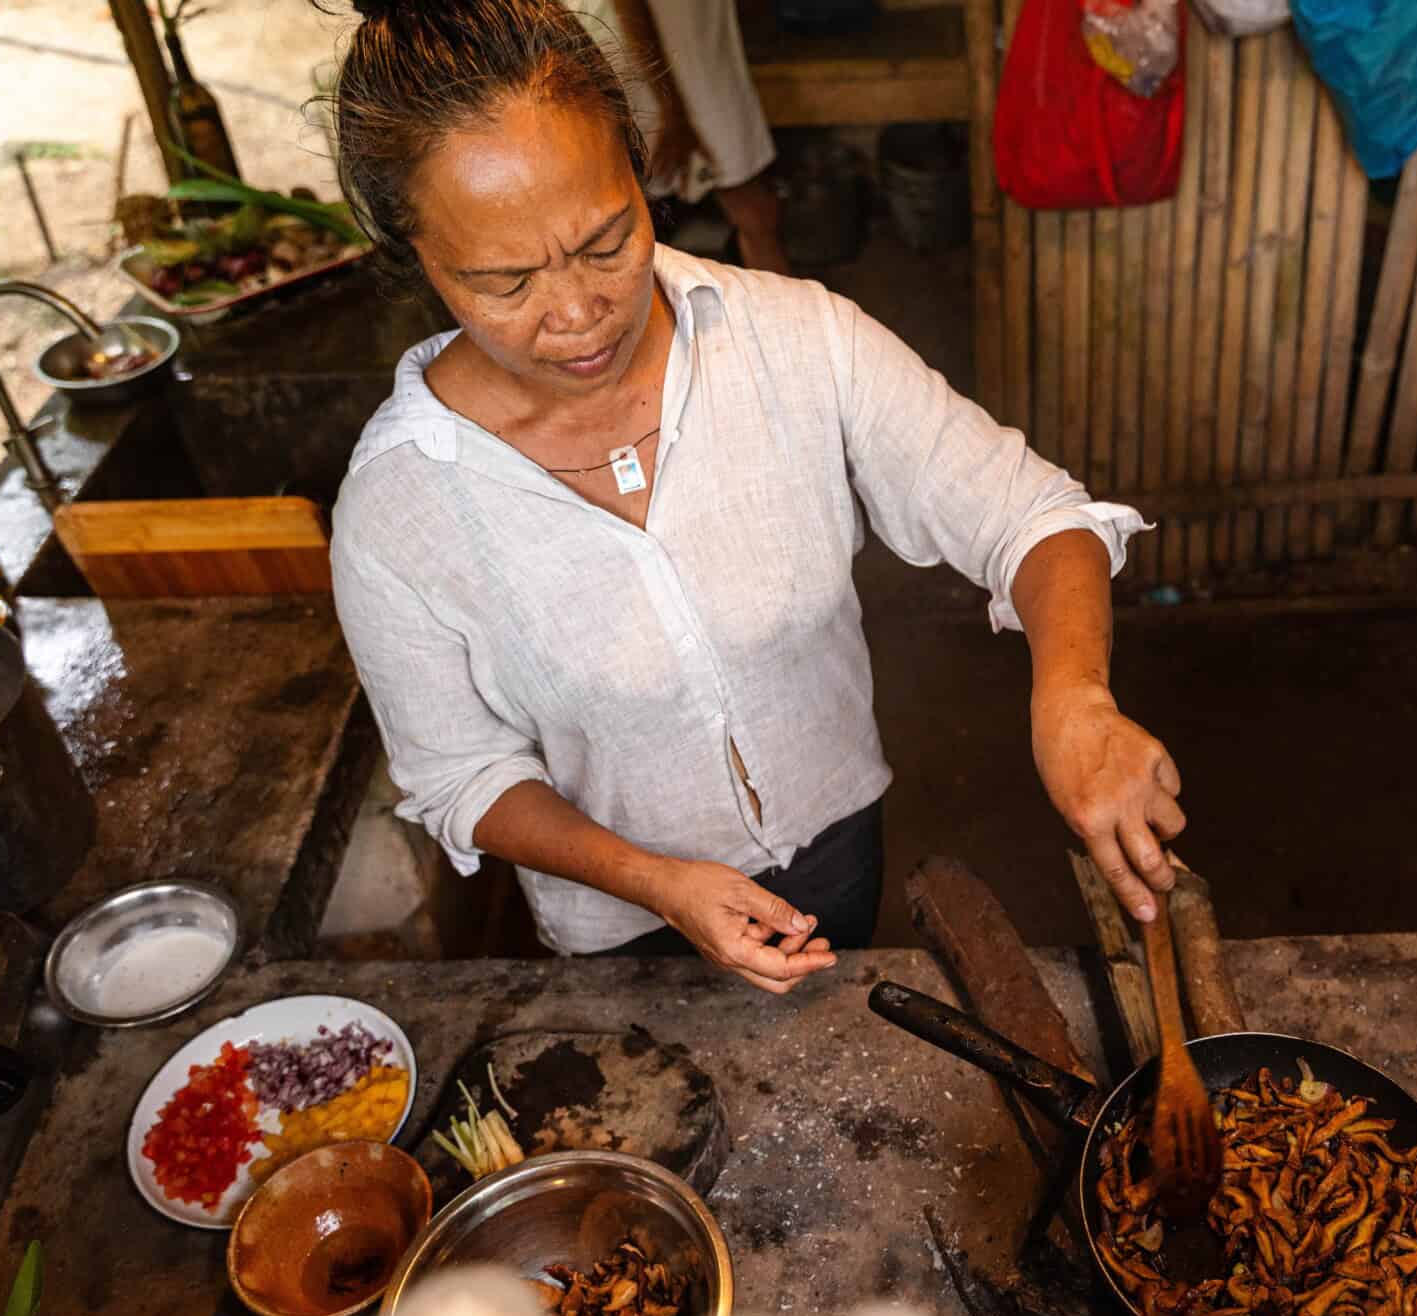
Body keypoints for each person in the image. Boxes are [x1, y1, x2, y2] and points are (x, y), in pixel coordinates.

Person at [326, 0, 1183, 995]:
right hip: (612, 929)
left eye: (606, 240)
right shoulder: (398, 507)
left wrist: (1071, 697)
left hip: (837, 843)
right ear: (412, 256)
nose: (576, 313)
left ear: (643, 168)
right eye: (503, 282)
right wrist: (653, 881)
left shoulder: (795, 341)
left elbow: (1030, 515)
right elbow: (459, 773)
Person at [580, 0, 790, 273]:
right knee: (751, 213)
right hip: (654, 71)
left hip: (692, 65)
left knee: (755, 215)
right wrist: (672, 109)